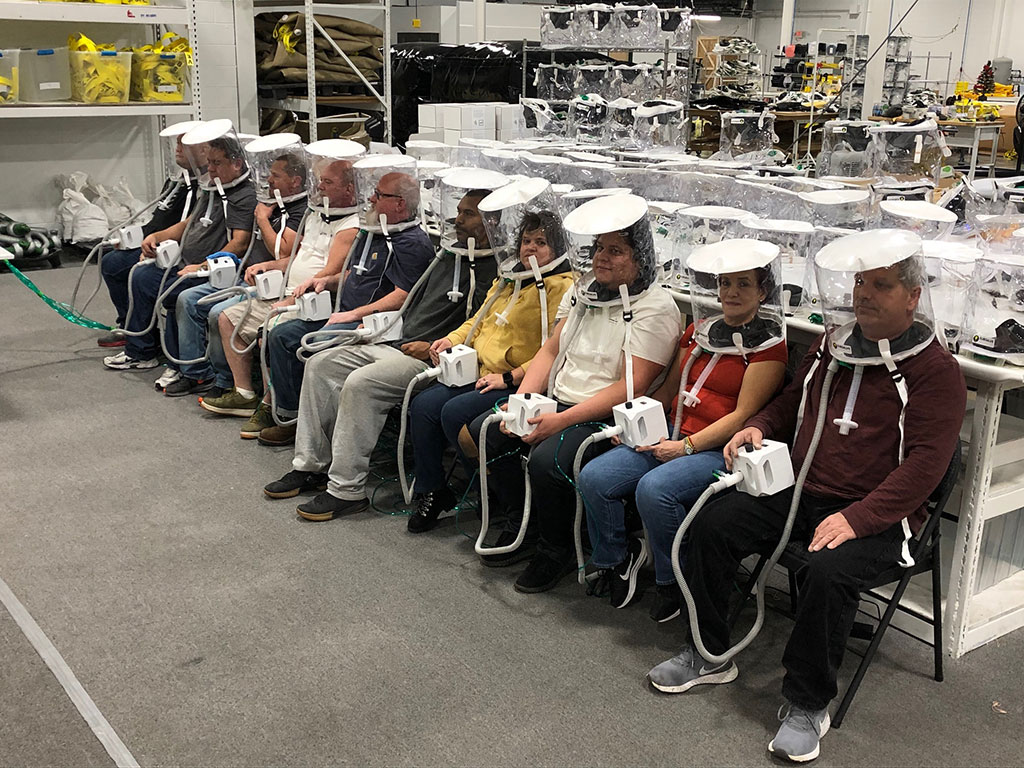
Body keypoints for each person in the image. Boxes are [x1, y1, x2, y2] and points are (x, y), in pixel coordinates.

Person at [646, 230, 965, 764]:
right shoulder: (829, 347)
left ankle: (807, 702)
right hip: (801, 489)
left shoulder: (935, 373)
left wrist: (859, 518)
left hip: (881, 514)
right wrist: (759, 428)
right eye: (860, 283)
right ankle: (710, 652)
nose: (864, 295)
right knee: (710, 525)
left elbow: (925, 469)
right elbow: (790, 405)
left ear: (913, 295)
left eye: (881, 286)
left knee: (827, 569)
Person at [466, 194, 681, 593]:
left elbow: (629, 385)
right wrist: (521, 403)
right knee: (490, 430)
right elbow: (550, 350)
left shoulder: (656, 307)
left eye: (615, 251)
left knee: (548, 461)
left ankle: (557, 548)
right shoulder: (584, 291)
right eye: (599, 248)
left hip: (606, 414)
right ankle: (522, 524)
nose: (601, 258)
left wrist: (561, 420)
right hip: (558, 400)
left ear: (641, 258)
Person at [261, 177, 502, 520]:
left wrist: (433, 346)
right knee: (320, 365)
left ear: (491, 222)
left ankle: (346, 490)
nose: (457, 220)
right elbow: (410, 301)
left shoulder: (496, 269)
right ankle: (310, 465)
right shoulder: (449, 256)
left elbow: (481, 328)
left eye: (468, 214)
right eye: (458, 212)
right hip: (394, 340)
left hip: (429, 358)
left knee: (362, 384)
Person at [578, 248, 787, 618]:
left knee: (655, 490)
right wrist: (634, 422)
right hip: (672, 432)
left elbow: (743, 415)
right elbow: (668, 391)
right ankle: (616, 560)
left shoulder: (770, 348)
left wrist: (685, 447)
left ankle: (674, 581)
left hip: (717, 449)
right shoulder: (700, 332)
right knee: (595, 476)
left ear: (763, 292)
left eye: (743, 284)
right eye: (725, 283)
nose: (731, 292)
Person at [405, 208, 574, 533]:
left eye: (541, 242)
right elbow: (477, 320)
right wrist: (450, 340)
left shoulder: (560, 288)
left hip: (516, 379)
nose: (531, 249)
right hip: (480, 369)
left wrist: (511, 377)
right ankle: (432, 490)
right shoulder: (510, 279)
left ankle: (494, 493)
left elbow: (554, 348)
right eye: (526, 241)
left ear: (559, 249)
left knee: (454, 412)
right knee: (423, 405)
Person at [246, 168, 434, 445]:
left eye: (379, 195)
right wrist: (324, 283)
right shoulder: (373, 232)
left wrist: (354, 313)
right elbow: (350, 274)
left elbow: (403, 295)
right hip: (340, 311)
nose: (370, 199)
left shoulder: (411, 242)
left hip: (371, 323)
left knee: (314, 348)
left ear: (400, 204)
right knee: (281, 336)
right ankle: (288, 414)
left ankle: (320, 431)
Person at [102, 132, 256, 373]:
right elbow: (189, 224)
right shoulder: (211, 188)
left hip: (214, 270)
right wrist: (156, 237)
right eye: (210, 163)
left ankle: (184, 366)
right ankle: (141, 351)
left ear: (236, 164)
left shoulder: (243, 196)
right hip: (188, 261)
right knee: (140, 277)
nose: (211, 169)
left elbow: (239, 244)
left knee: (172, 292)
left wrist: (203, 266)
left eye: (217, 163)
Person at [161, 148, 307, 397]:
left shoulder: (298, 210)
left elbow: (283, 253)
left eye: (275, 176)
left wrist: (262, 219)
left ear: (295, 182)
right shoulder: (270, 203)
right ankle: (195, 372)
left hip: (270, 283)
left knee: (220, 313)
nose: (268, 180)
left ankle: (225, 380)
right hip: (243, 272)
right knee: (185, 297)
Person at [98, 125, 200, 348]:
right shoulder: (176, 183)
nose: (178, 149)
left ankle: (140, 337)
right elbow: (157, 220)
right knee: (111, 260)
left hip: (174, 250)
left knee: (139, 274)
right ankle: (130, 324)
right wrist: (130, 240)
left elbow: (190, 227)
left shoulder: (203, 189)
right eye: (177, 143)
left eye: (184, 144)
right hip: (155, 242)